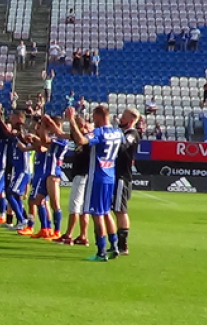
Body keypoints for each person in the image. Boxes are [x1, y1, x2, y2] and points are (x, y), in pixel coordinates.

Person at [64, 105, 124, 262]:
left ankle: (101, 251)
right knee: (106, 213)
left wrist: (71, 121)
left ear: (98, 116)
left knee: (97, 215)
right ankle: (115, 246)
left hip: (97, 177)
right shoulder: (118, 133)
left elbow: (81, 140)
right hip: (110, 176)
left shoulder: (99, 132)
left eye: (94, 117)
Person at [54, 116, 93, 247]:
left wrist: (72, 121)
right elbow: (60, 134)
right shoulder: (83, 137)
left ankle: (68, 235)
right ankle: (83, 236)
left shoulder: (85, 138)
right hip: (86, 176)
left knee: (75, 207)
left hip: (81, 175)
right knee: (83, 209)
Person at [113, 109, 141, 256]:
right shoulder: (124, 133)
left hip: (122, 177)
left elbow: (123, 147)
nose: (120, 119)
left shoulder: (132, 134)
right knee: (117, 210)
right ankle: (118, 242)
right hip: (117, 176)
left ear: (130, 120)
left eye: (123, 117)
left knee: (121, 210)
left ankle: (122, 245)